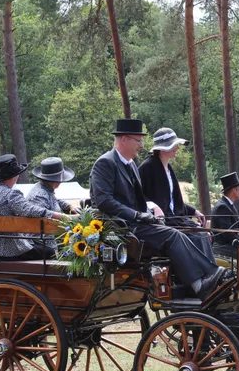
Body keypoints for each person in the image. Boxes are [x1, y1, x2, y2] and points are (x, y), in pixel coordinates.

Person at [89, 119, 229, 299]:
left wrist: (147, 212)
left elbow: (140, 199)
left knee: (189, 233)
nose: (141, 145)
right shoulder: (105, 163)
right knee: (173, 235)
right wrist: (138, 215)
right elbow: (103, 201)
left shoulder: (130, 164)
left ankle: (208, 277)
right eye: (138, 140)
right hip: (120, 227)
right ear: (124, 139)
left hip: (136, 223)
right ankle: (199, 284)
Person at [0, 154, 67, 262]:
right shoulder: (11, 194)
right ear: (13, 176)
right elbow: (30, 210)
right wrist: (59, 216)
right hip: (4, 250)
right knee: (50, 252)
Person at [138, 127, 213, 263]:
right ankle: (203, 276)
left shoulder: (169, 168)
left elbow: (172, 201)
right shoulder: (147, 167)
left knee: (204, 233)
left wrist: (194, 211)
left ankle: (211, 273)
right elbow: (138, 195)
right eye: (173, 145)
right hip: (162, 222)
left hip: (176, 219)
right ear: (162, 150)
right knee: (198, 236)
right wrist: (153, 207)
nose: (177, 148)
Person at [27, 157, 80, 255]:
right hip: (42, 243)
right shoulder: (39, 194)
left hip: (51, 239)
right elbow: (41, 214)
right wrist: (64, 217)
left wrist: (70, 207)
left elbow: (55, 200)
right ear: (57, 180)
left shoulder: (46, 189)